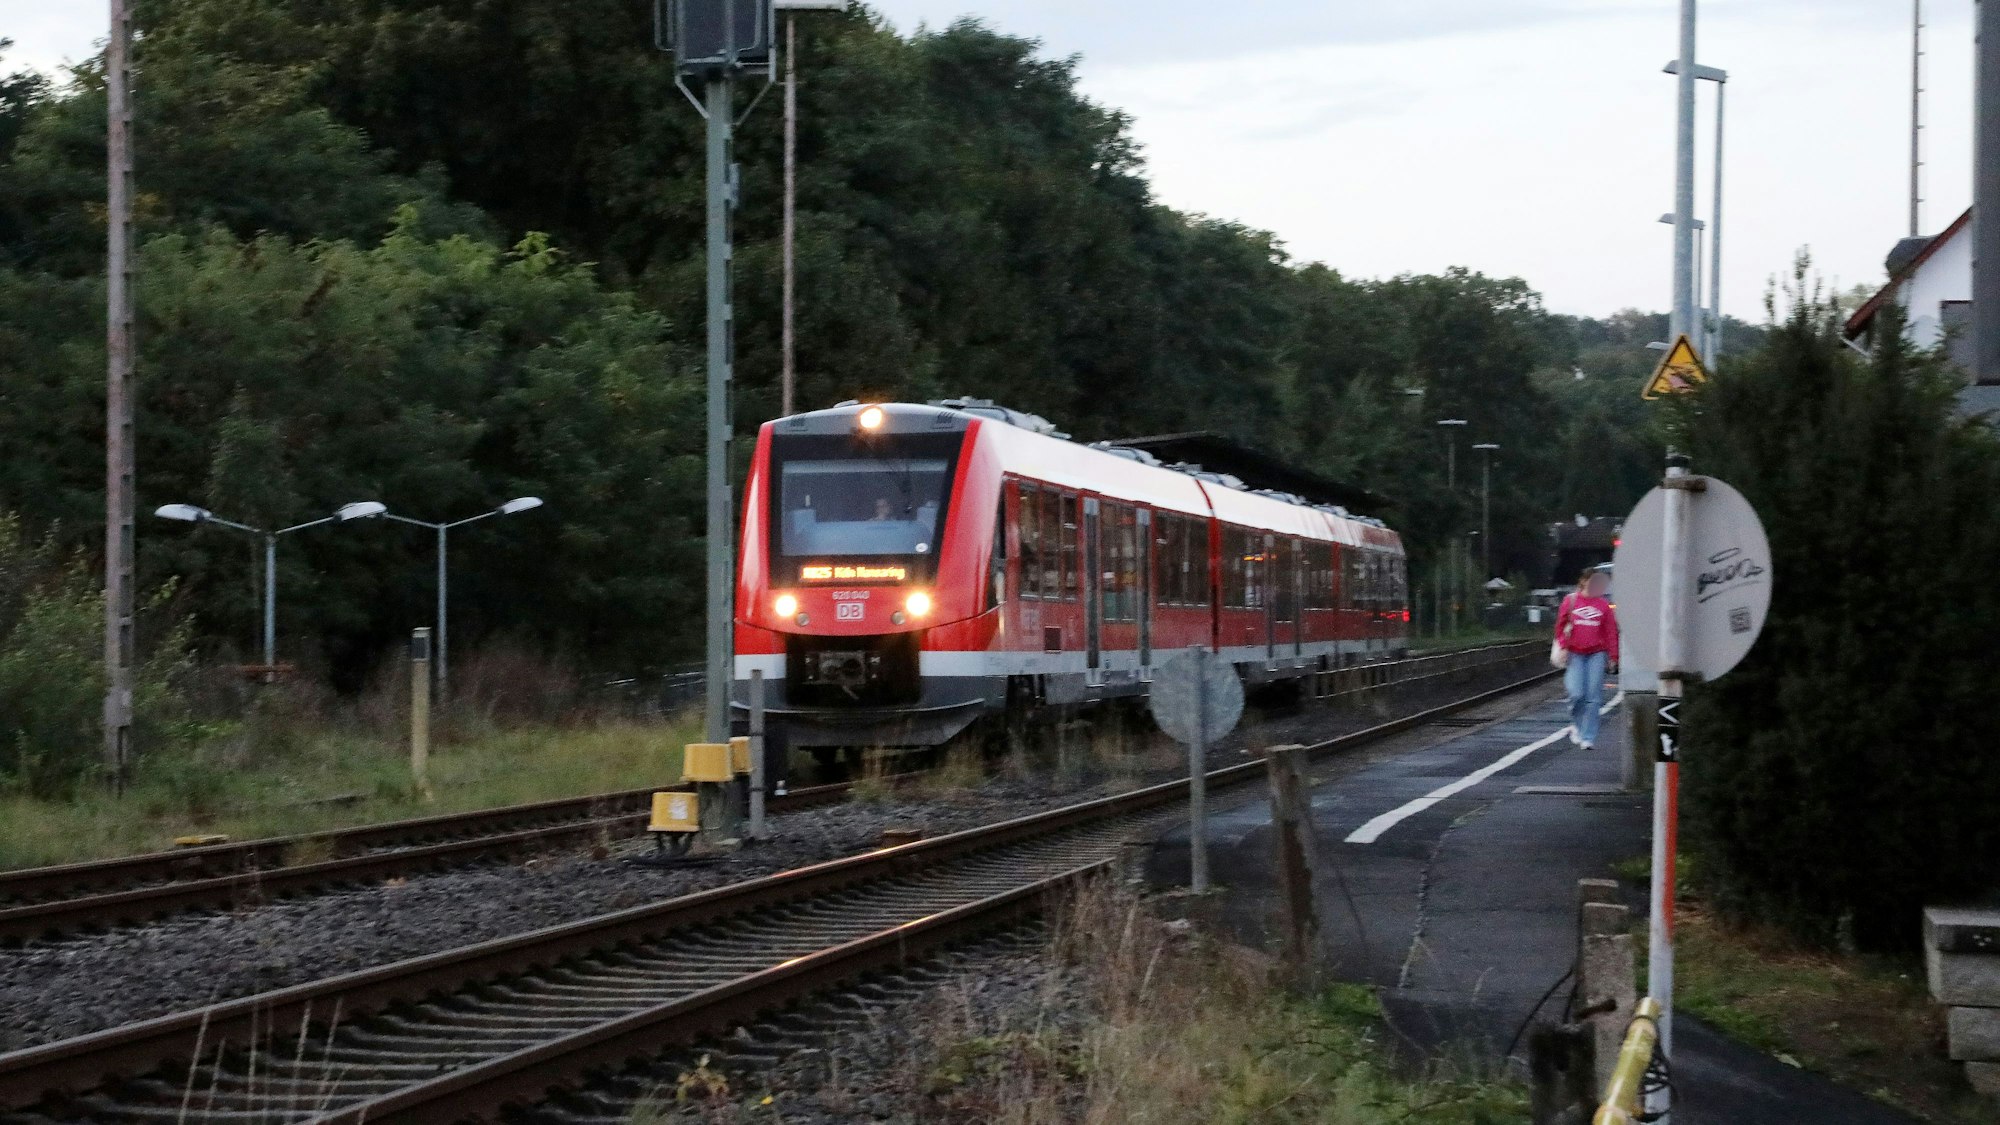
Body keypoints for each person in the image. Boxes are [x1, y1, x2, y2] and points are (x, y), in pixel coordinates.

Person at [1554, 568, 1619, 749]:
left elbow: (1610, 632)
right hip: (1575, 653)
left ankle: (1587, 736)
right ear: (1583, 581)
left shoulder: (1603, 605)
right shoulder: (1570, 601)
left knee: (1593, 697)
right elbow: (1560, 627)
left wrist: (1613, 656)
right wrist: (1563, 645)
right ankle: (1576, 724)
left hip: (1597, 653)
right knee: (1576, 694)